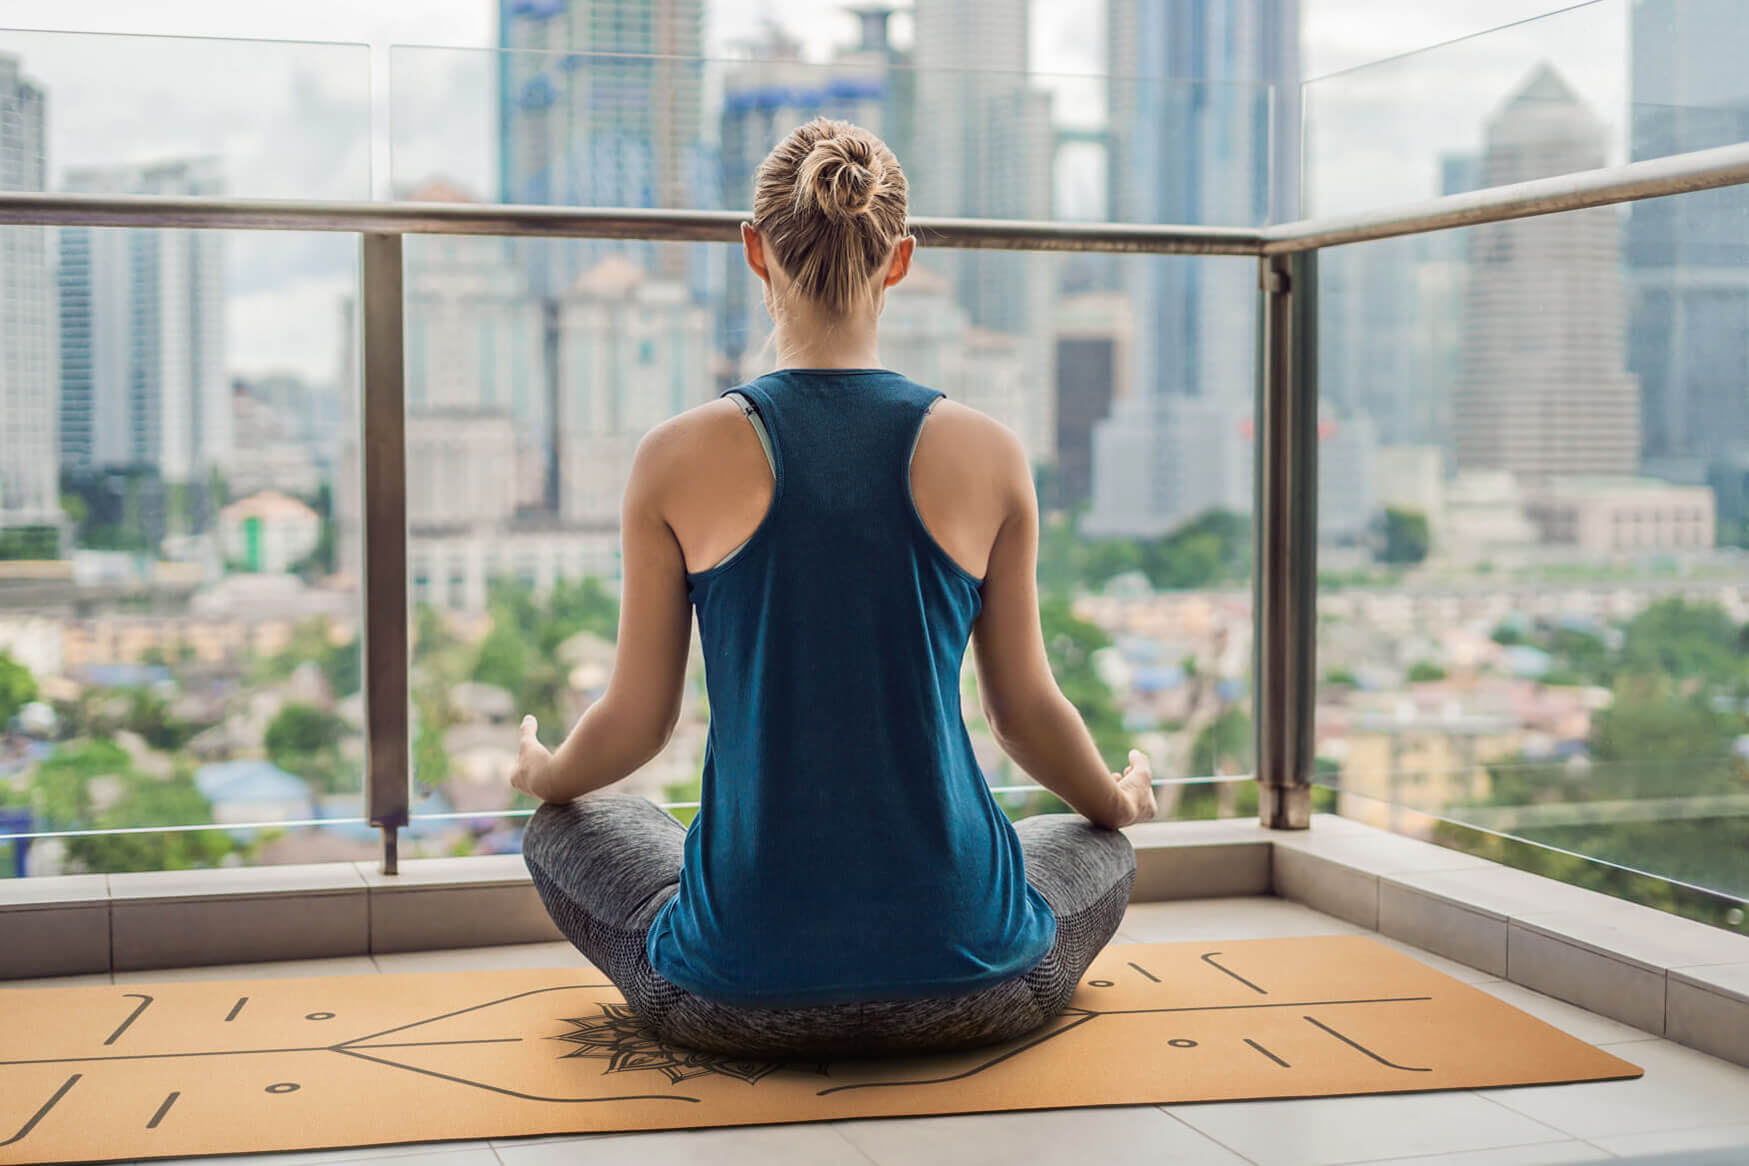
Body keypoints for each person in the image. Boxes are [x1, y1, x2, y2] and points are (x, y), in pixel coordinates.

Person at [510, 116, 1157, 1061]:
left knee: (576, 825)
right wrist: (1115, 797)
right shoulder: (988, 451)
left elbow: (638, 722)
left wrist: (544, 773)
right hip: (985, 989)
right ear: (898, 261)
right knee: (1092, 842)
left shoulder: (672, 456)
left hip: (729, 1001)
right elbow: (1022, 714)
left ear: (751, 252)